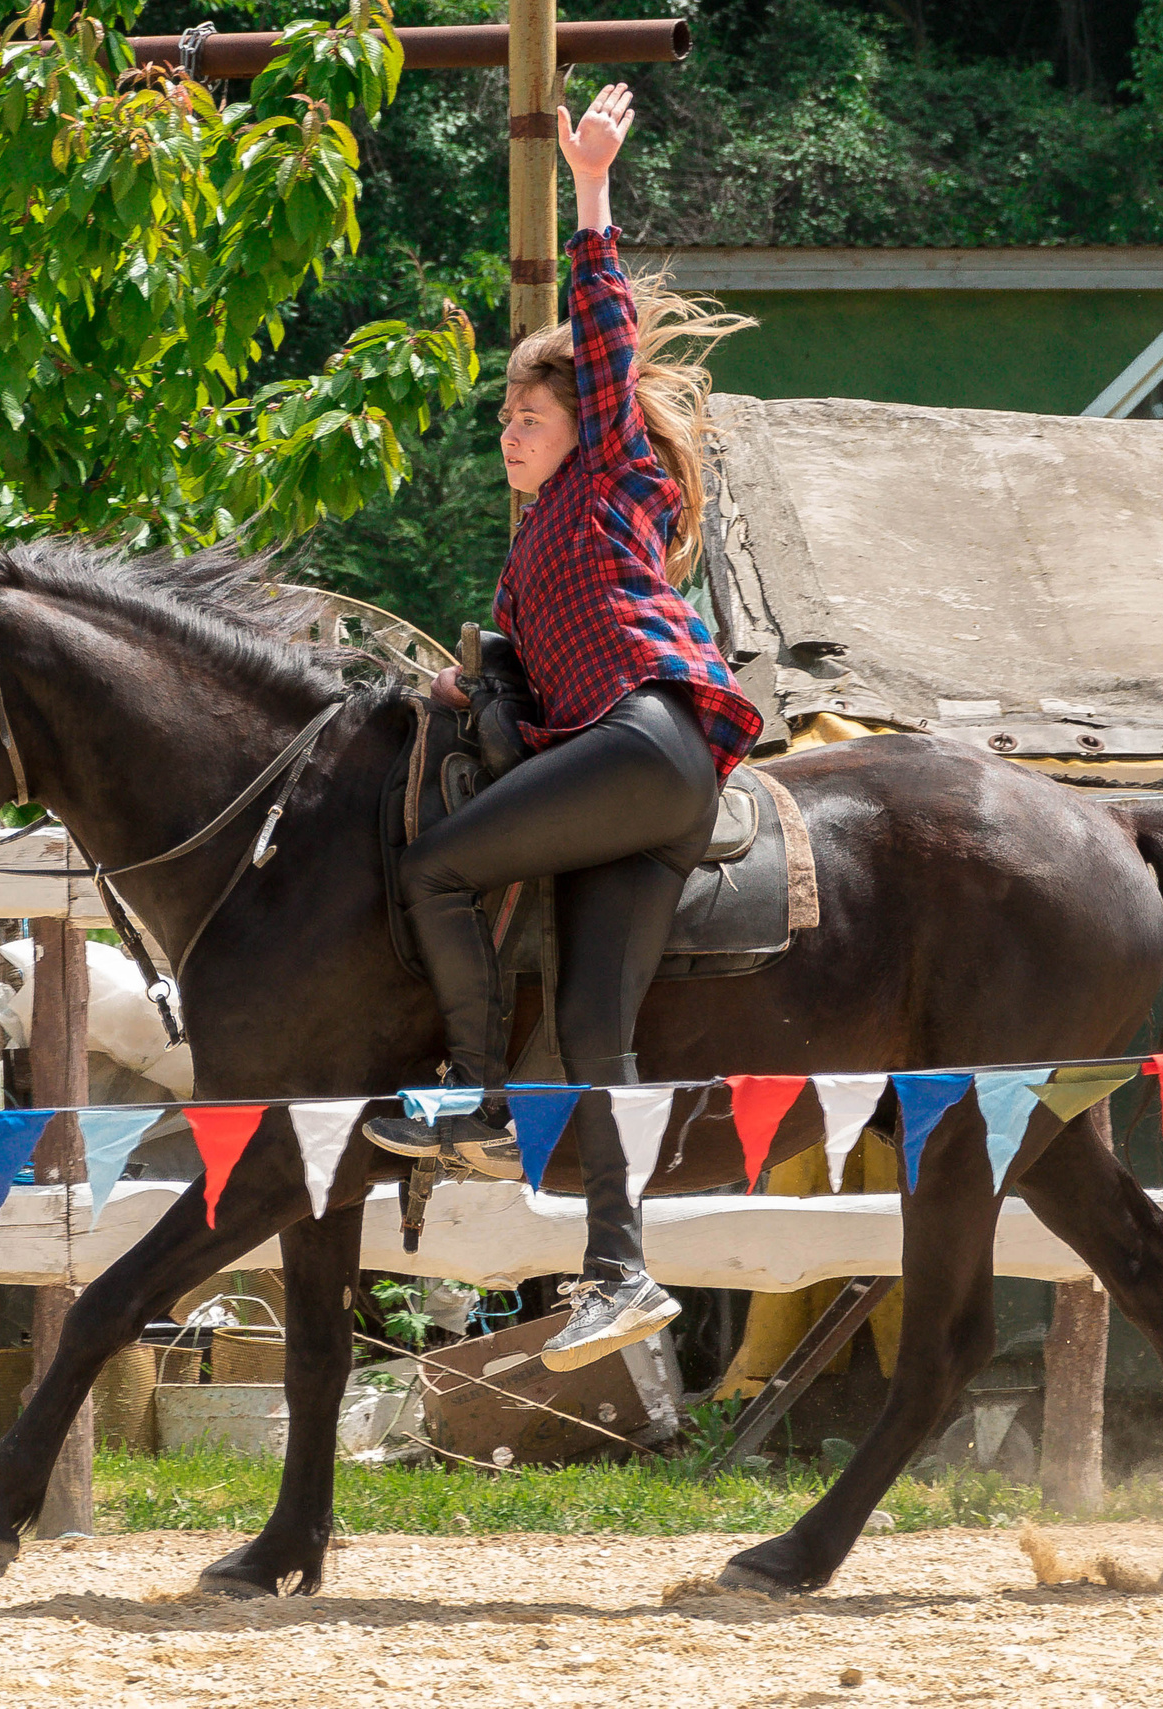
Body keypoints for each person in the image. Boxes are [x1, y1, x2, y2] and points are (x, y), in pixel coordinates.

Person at [362, 84, 760, 1372]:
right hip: (641, 788)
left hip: (655, 740)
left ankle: (476, 1097)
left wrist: (591, 188)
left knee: (436, 865)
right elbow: (511, 699)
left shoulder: (607, 471)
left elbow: (600, 333)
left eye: (524, 415)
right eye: (499, 421)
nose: (507, 431)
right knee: (597, 1025)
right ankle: (621, 1268)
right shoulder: (523, 554)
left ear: (583, 424)